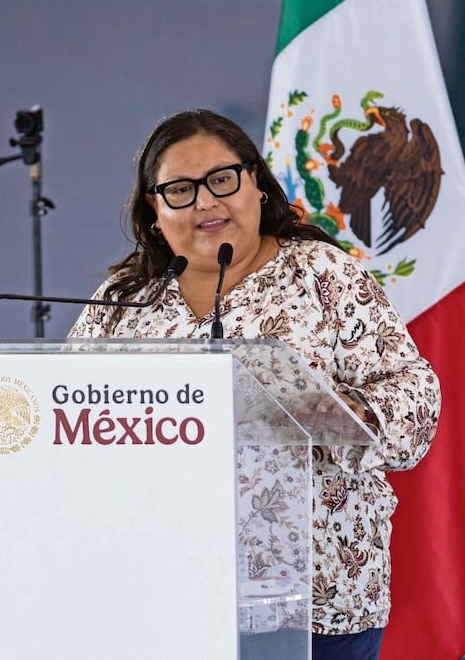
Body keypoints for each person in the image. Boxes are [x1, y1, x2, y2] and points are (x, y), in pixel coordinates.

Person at [68, 109, 441, 660]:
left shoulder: (320, 274)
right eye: (180, 189)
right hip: (162, 596)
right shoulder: (123, 298)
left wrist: (322, 414)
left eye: (222, 179)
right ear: (154, 205)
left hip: (316, 601)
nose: (205, 202)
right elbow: (67, 415)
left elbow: (414, 399)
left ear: (255, 184)